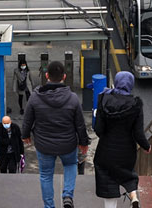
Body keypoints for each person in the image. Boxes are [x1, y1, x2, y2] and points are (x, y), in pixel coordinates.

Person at [22, 61, 90, 208]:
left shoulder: (35, 96)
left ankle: (49, 206)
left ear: (46, 75)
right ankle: (67, 195)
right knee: (70, 165)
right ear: (64, 77)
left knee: (46, 175)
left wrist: (25, 135)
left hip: (44, 145)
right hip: (68, 143)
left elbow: (27, 119)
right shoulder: (72, 98)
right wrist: (84, 142)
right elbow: (80, 124)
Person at [94, 71, 151, 208]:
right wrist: (146, 146)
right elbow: (138, 133)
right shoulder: (135, 105)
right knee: (127, 174)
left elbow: (98, 129)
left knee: (108, 183)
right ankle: (134, 196)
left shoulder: (104, 100)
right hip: (127, 152)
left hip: (106, 151)